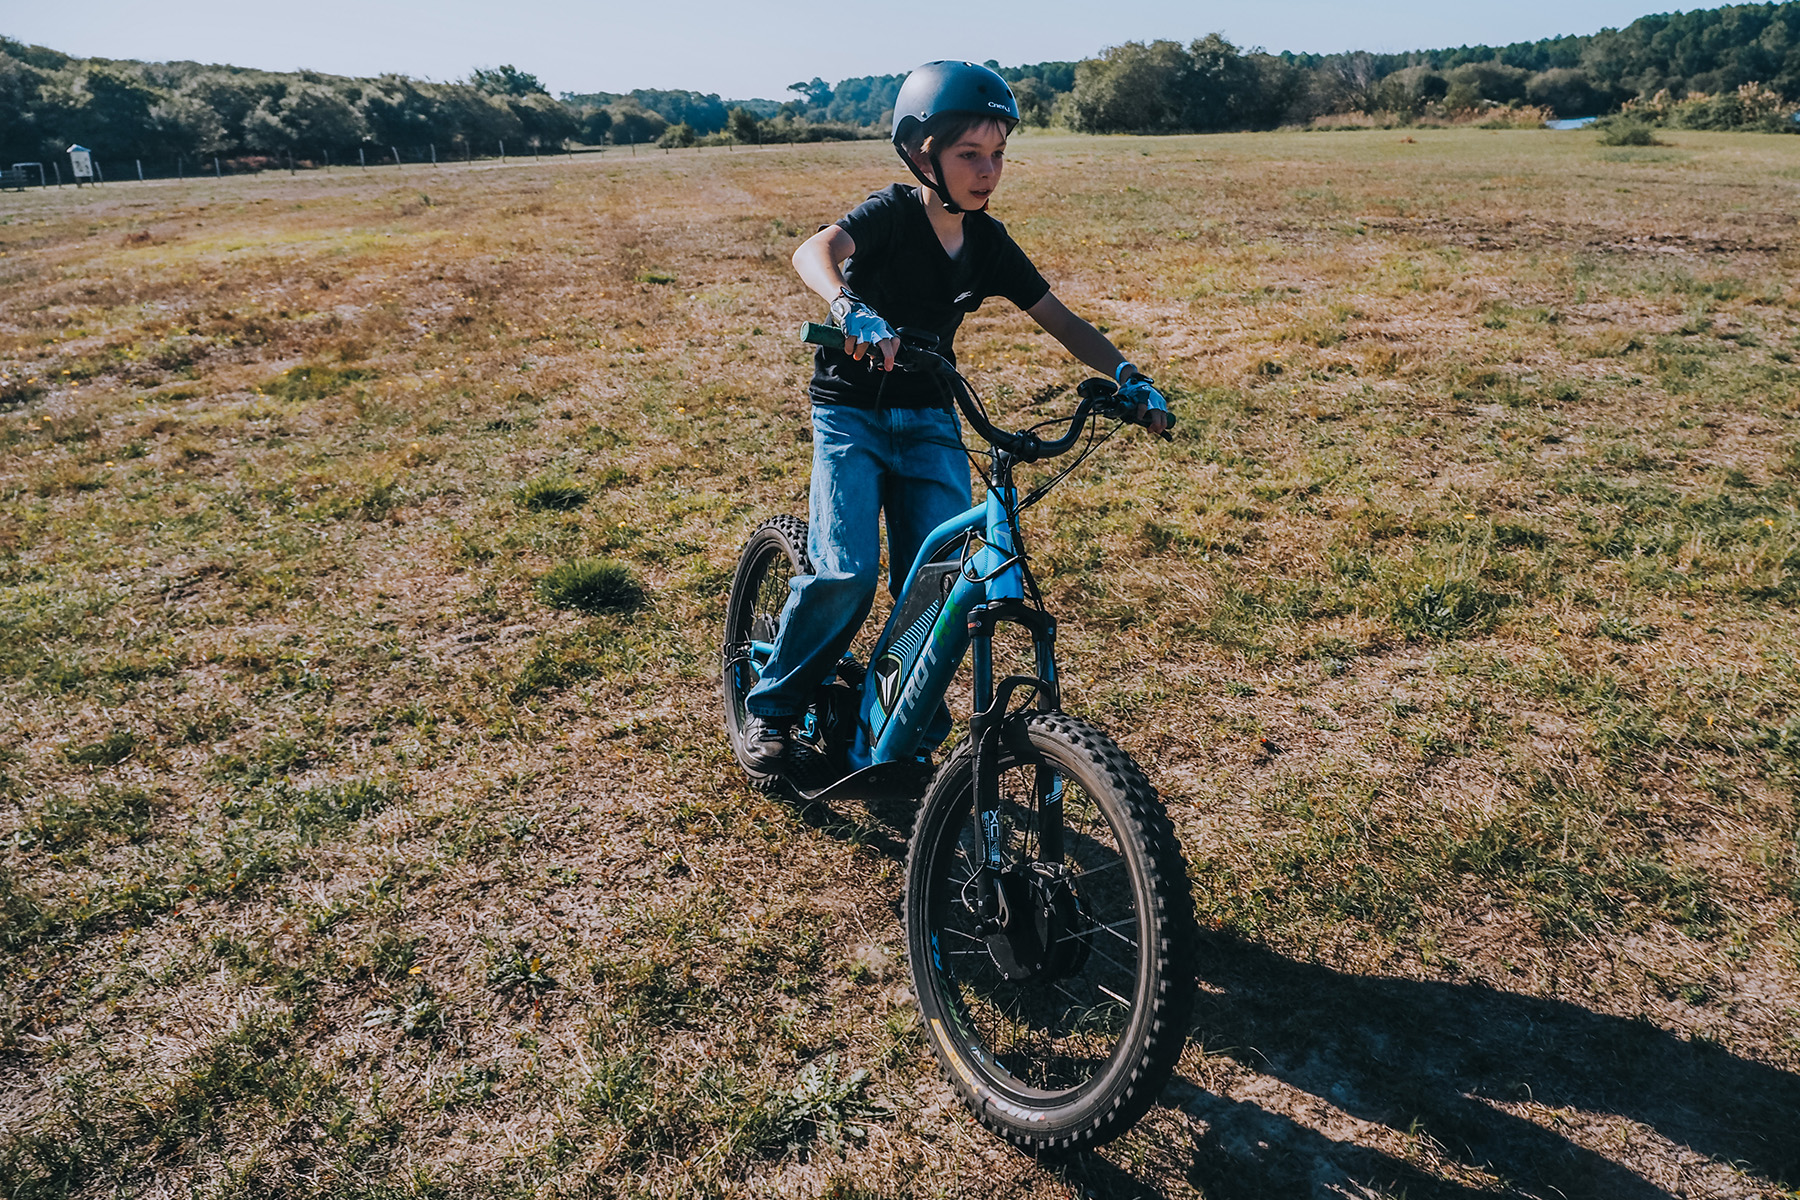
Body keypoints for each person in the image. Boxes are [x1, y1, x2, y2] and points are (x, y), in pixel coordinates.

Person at [740, 60, 1171, 774]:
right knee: (847, 573)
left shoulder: (988, 243)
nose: (988, 170)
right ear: (921, 153)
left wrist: (1129, 375)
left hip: (931, 417)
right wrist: (849, 306)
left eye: (998, 154)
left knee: (934, 585)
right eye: (970, 154)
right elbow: (813, 251)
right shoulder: (891, 215)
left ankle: (900, 726)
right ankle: (775, 708)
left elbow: (1061, 320)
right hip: (852, 415)